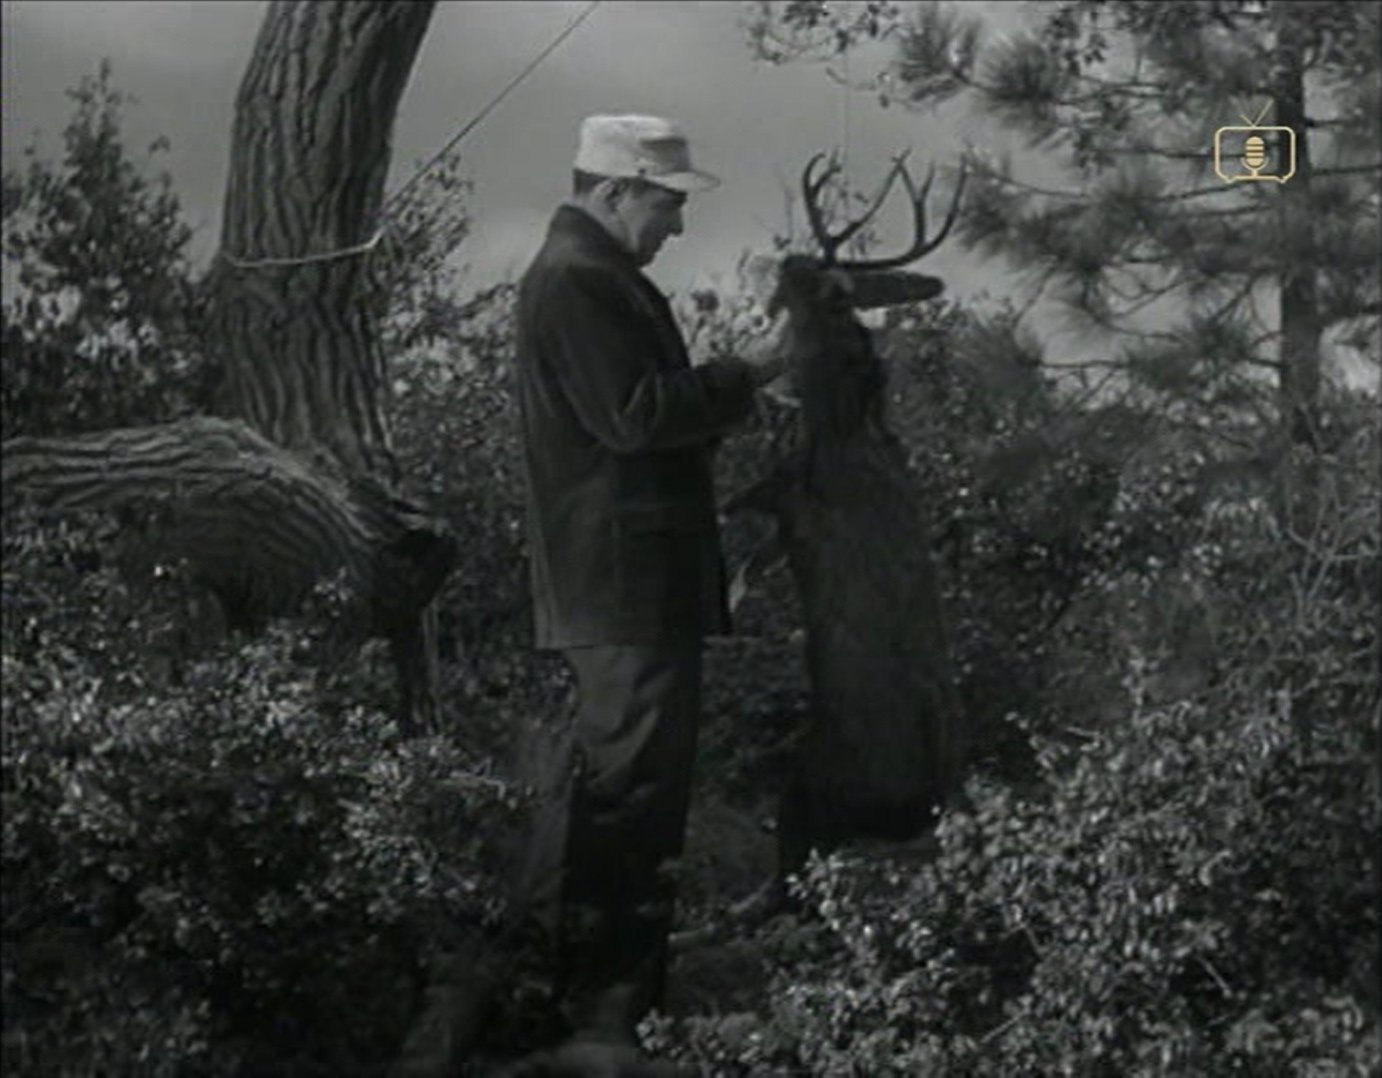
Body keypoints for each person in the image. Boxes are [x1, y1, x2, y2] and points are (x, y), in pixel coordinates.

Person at [505, 114, 789, 1066]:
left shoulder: (593, 277)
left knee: (623, 801)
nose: (675, 225)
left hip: (623, 592)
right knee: (629, 807)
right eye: (667, 204)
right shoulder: (582, 283)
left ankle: (603, 1012)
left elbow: (642, 423)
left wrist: (722, 391)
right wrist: (749, 372)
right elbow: (637, 419)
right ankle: (605, 1022)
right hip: (623, 594)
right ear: (616, 190)